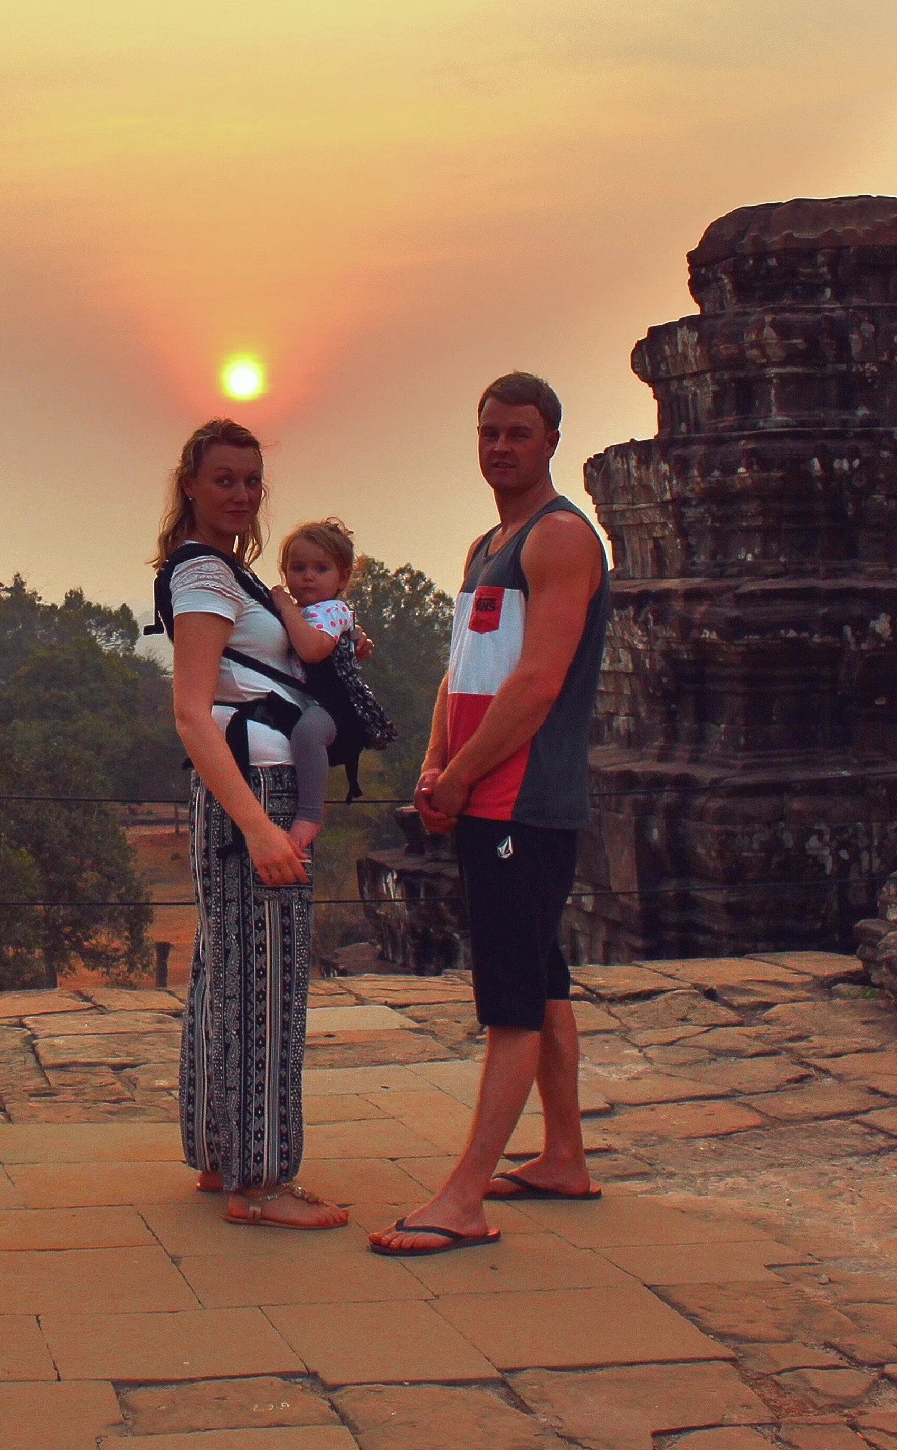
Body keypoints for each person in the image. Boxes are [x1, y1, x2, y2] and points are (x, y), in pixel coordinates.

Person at [370, 372, 610, 1258]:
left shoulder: (559, 541)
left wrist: (466, 777)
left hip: (523, 799)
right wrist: (435, 766)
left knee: (510, 999)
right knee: (540, 979)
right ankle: (565, 1158)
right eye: (488, 433)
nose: (500, 447)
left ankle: (464, 1195)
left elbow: (539, 682)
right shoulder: (488, 545)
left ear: (550, 442)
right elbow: (463, 671)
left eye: (517, 433)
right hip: (479, 790)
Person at [155, 418, 348, 1230]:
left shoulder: (223, 572)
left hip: (242, 788)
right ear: (192, 485)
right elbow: (194, 715)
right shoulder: (205, 577)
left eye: (251, 480)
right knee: (264, 984)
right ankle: (260, 1181)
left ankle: (219, 1155)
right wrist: (266, 830)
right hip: (255, 791)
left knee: (225, 971)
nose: (240, 493)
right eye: (225, 479)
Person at [271, 517, 396, 857]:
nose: (307, 576)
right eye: (297, 568)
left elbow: (313, 649)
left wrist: (285, 608)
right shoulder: (310, 611)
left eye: (320, 568)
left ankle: (310, 815)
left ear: (342, 578)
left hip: (336, 706)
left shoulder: (330, 609)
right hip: (313, 700)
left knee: (307, 734)